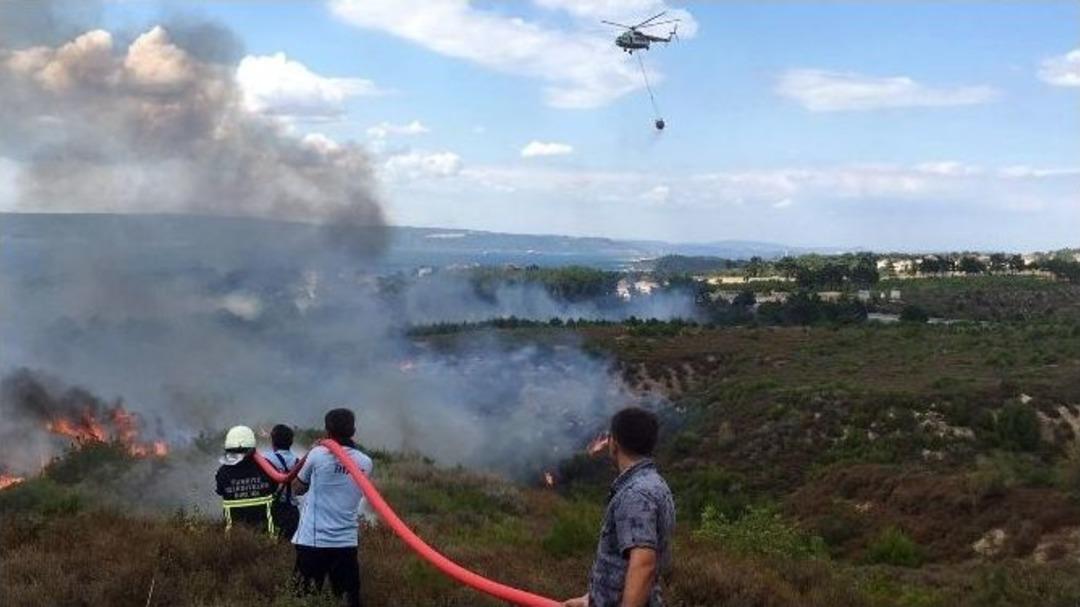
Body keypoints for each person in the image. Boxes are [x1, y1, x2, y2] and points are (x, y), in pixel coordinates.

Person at [563, 407, 676, 607]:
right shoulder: (655, 483)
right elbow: (621, 566)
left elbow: (643, 565)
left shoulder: (636, 494)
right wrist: (590, 600)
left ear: (614, 443)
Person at [292, 408, 374, 607]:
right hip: (346, 543)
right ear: (353, 430)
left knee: (303, 598)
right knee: (347, 599)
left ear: (327, 430)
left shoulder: (317, 455)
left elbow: (297, 488)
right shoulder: (366, 462)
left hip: (313, 542)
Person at [215, 425, 276, 534]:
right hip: (266, 538)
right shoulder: (267, 467)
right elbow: (274, 487)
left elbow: (220, 492)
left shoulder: (222, 472)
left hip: (234, 538)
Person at [266, 424, 301, 540]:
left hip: (274, 510)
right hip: (293, 511)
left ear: (273, 441)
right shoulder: (298, 461)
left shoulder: (266, 460)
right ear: (291, 442)